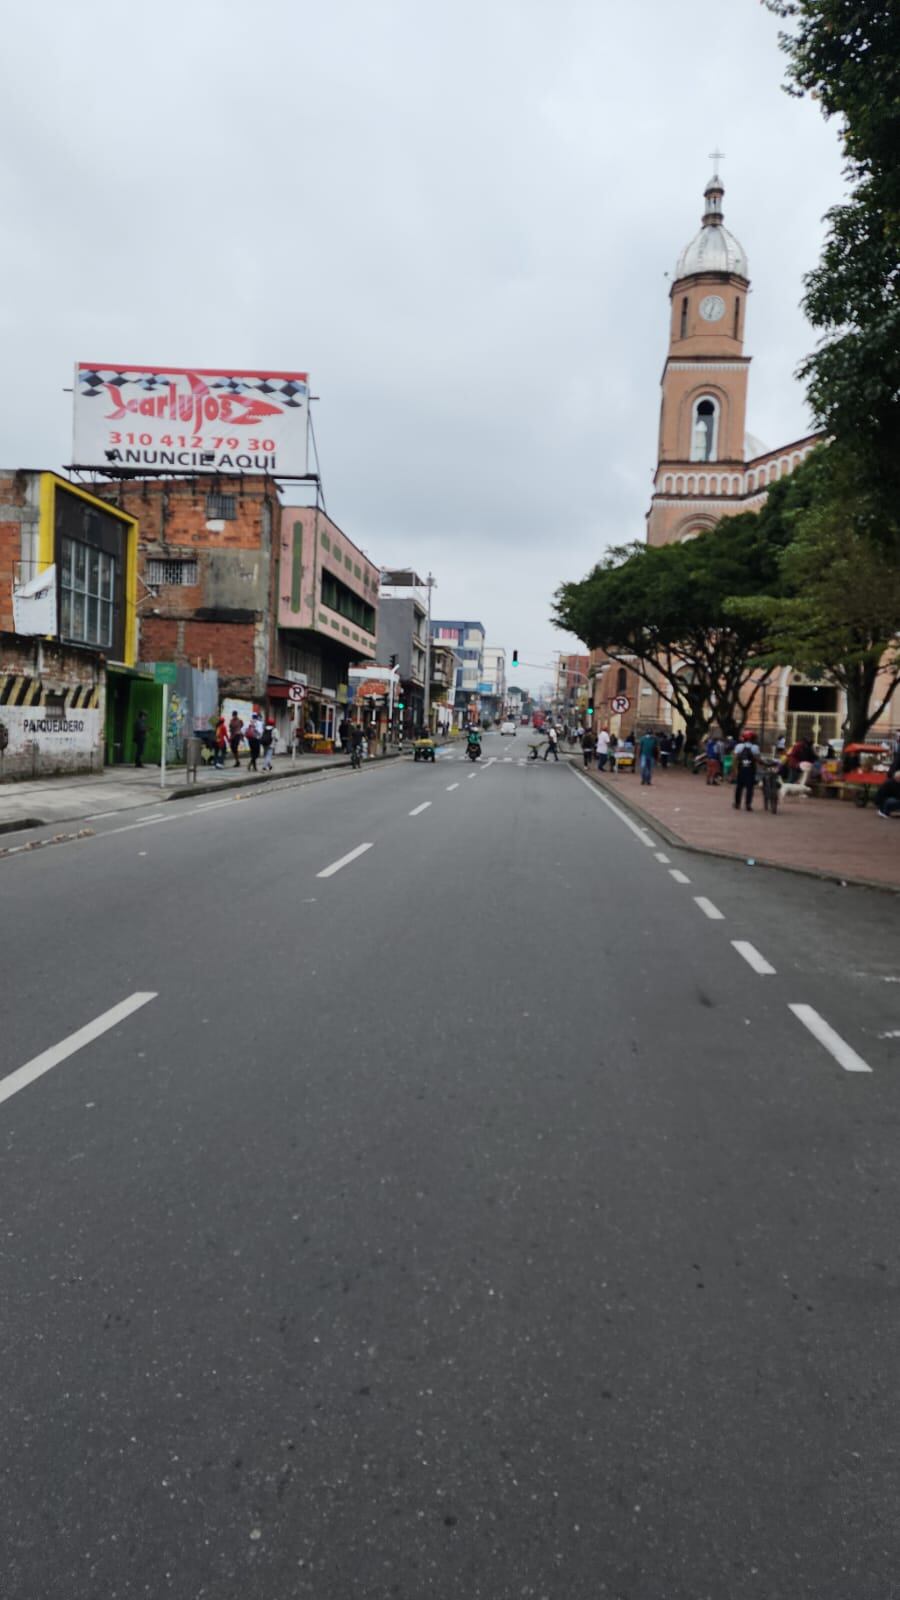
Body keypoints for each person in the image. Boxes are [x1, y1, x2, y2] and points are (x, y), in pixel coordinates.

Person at [733, 730, 761, 811]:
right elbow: (758, 759)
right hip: (750, 770)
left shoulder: (738, 746)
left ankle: (737, 804)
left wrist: (734, 770)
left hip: (741, 769)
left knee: (739, 787)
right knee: (750, 788)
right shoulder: (755, 747)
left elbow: (735, 759)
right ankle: (748, 804)